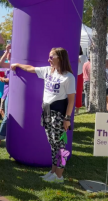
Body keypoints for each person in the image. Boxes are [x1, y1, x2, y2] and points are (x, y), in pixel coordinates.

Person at [11, 47, 75, 183]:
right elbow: (31, 68)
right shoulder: (47, 70)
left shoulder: (68, 77)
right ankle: (53, 172)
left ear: (60, 58)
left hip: (58, 113)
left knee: (61, 146)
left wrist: (67, 118)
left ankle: (59, 176)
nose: (49, 60)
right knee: (53, 144)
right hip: (46, 111)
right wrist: (17, 65)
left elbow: (71, 100)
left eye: (52, 57)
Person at [76, 47, 88, 115]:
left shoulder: (83, 57)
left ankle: (77, 110)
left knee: (78, 93)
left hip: (79, 75)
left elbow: (85, 64)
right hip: (72, 74)